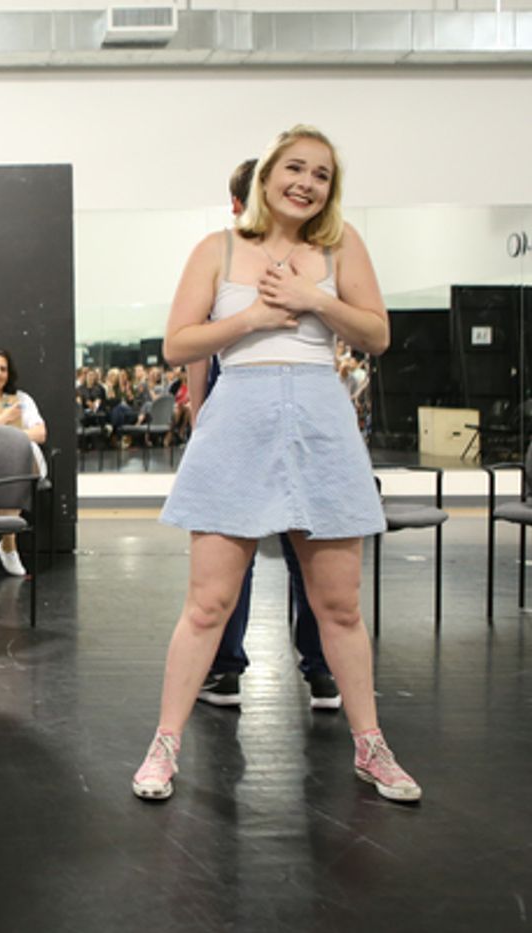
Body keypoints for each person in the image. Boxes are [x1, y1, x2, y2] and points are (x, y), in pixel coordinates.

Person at [133, 125, 420, 804]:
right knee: (208, 603)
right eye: (295, 168)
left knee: (339, 605)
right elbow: (178, 343)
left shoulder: (342, 246)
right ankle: (164, 744)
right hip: (240, 422)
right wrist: (255, 317)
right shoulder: (218, 248)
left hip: (321, 426)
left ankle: (371, 745)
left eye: (321, 174)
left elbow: (377, 333)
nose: (306, 183)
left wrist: (315, 300)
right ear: (266, 177)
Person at [192, 157, 339, 713]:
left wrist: (201, 417)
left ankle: (255, 669)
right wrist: (204, 418)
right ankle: (310, 669)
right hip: (254, 403)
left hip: (279, 403)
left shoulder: (303, 257)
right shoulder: (227, 254)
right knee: (256, 548)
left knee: (285, 545)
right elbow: (194, 343)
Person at [0, 347, 47, 576]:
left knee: (16, 456)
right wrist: (4, 419)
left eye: (3, 369)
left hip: (20, 463)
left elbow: (40, 433)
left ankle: (8, 544)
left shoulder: (22, 399)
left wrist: (10, 439)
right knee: (4, 462)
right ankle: (8, 546)